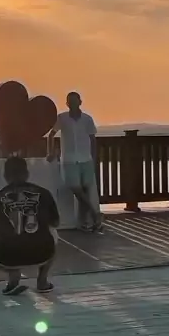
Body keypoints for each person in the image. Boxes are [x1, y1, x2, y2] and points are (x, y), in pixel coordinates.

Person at [0, 156, 59, 296]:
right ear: (27, 174)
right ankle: (42, 281)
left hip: (6, 256)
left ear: (5, 176)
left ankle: (13, 275)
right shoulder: (44, 193)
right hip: (42, 252)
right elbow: (55, 222)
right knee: (53, 233)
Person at [47, 91, 103, 232]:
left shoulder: (87, 119)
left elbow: (93, 139)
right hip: (69, 159)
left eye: (75, 100)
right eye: (70, 101)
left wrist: (94, 157)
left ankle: (85, 223)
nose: (72, 103)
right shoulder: (62, 118)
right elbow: (51, 135)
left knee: (84, 190)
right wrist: (51, 152)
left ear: (80, 102)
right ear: (67, 103)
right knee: (76, 188)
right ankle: (95, 214)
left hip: (86, 158)